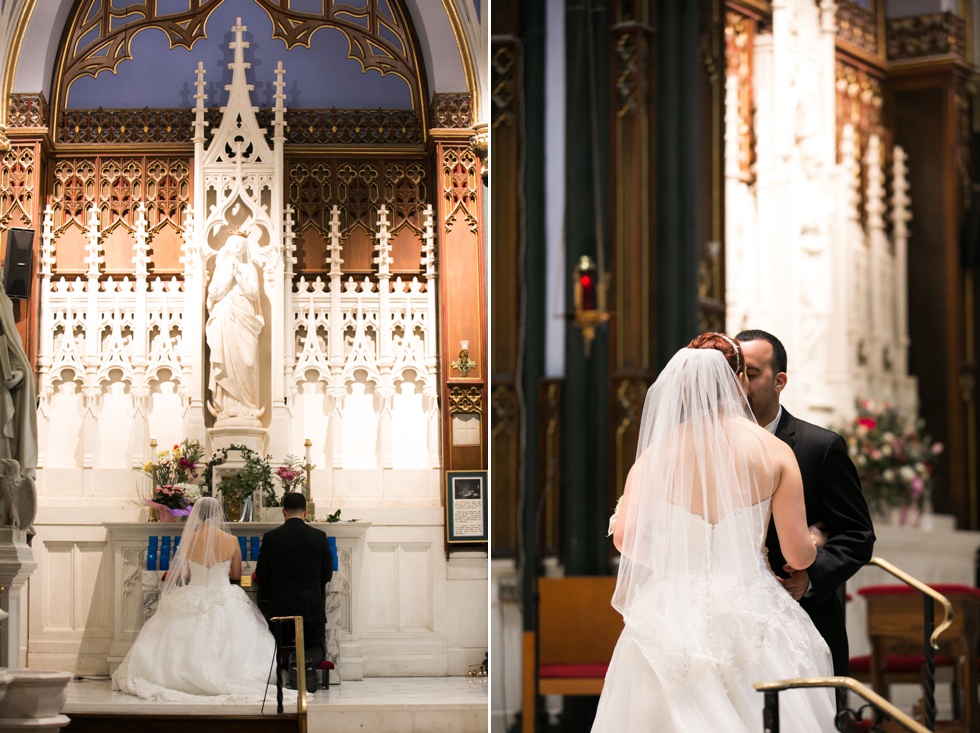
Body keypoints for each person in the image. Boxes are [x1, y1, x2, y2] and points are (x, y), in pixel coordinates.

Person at [592, 333, 836, 732]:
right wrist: (815, 540)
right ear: (738, 379)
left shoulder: (656, 455)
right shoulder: (773, 452)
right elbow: (797, 556)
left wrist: (679, 559)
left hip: (669, 610)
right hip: (751, 606)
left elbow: (624, 538)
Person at [736, 329, 875, 677]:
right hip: (729, 624)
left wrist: (811, 575)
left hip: (803, 621)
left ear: (779, 380)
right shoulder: (703, 450)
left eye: (751, 374)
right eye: (731, 374)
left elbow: (858, 535)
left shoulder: (819, 447)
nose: (739, 385)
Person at [112, 497, 283, 701]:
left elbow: (184, 572)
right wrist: (221, 570)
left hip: (193, 592)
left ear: (197, 516)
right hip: (223, 594)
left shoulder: (189, 539)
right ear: (219, 514)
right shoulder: (231, 541)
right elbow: (236, 574)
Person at [255, 492, 333, 693]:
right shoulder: (319, 536)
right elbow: (326, 574)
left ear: (283, 512)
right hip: (311, 606)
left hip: (281, 606)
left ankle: (290, 660)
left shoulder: (271, 538)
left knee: (278, 645)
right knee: (315, 645)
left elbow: (262, 574)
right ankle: (307, 661)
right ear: (306, 512)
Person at [206, 229, 264, 424]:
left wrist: (238, 276)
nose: (237, 246)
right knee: (226, 362)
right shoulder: (221, 267)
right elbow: (214, 293)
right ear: (229, 246)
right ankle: (227, 408)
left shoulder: (250, 269)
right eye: (234, 243)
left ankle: (248, 407)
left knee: (248, 362)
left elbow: (254, 294)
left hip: (245, 319)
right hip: (225, 316)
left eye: (241, 243)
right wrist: (228, 276)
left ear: (245, 248)